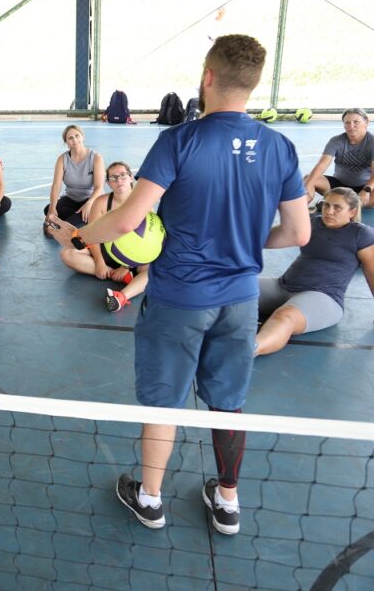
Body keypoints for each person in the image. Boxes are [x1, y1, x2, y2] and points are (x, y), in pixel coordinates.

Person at [48, 34, 310, 536]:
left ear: (208, 77)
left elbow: (127, 221)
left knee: (164, 401)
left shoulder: (179, 140)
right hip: (239, 299)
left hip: (177, 300)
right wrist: (248, 240)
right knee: (229, 403)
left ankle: (150, 499)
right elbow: (298, 232)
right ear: (252, 86)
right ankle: (228, 503)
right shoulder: (280, 146)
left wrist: (81, 236)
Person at [256, 188, 374, 356]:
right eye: (326, 205)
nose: (329, 211)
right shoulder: (313, 223)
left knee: (285, 316)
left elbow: (372, 273)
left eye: (337, 207)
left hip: (323, 297)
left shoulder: (361, 234)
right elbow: (278, 235)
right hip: (283, 286)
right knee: (234, 285)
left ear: (352, 212)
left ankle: (247, 351)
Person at [58, 162, 150, 312]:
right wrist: (100, 263)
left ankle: (122, 296)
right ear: (108, 183)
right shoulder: (101, 203)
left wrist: (126, 266)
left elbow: (147, 241)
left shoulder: (142, 202)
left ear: (131, 177)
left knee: (153, 268)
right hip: (107, 252)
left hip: (133, 256)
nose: (119, 180)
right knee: (67, 254)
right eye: (113, 178)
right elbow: (92, 235)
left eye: (122, 175)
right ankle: (116, 274)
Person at [303, 108, 374, 221]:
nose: (351, 126)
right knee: (308, 179)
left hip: (364, 188)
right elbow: (322, 165)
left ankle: (331, 204)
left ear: (366, 122)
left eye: (356, 122)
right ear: (344, 125)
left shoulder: (372, 142)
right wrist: (308, 185)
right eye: (347, 122)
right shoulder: (336, 141)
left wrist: (366, 190)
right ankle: (301, 212)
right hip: (339, 187)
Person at [44, 124, 105, 235]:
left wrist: (89, 204)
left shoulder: (96, 157)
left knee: (83, 213)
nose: (75, 140)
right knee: (48, 209)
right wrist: (52, 208)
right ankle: (83, 219)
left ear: (83, 137)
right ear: (66, 142)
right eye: (70, 138)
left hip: (90, 198)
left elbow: (99, 187)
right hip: (71, 198)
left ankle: (59, 227)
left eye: (77, 136)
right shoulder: (62, 159)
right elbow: (56, 186)